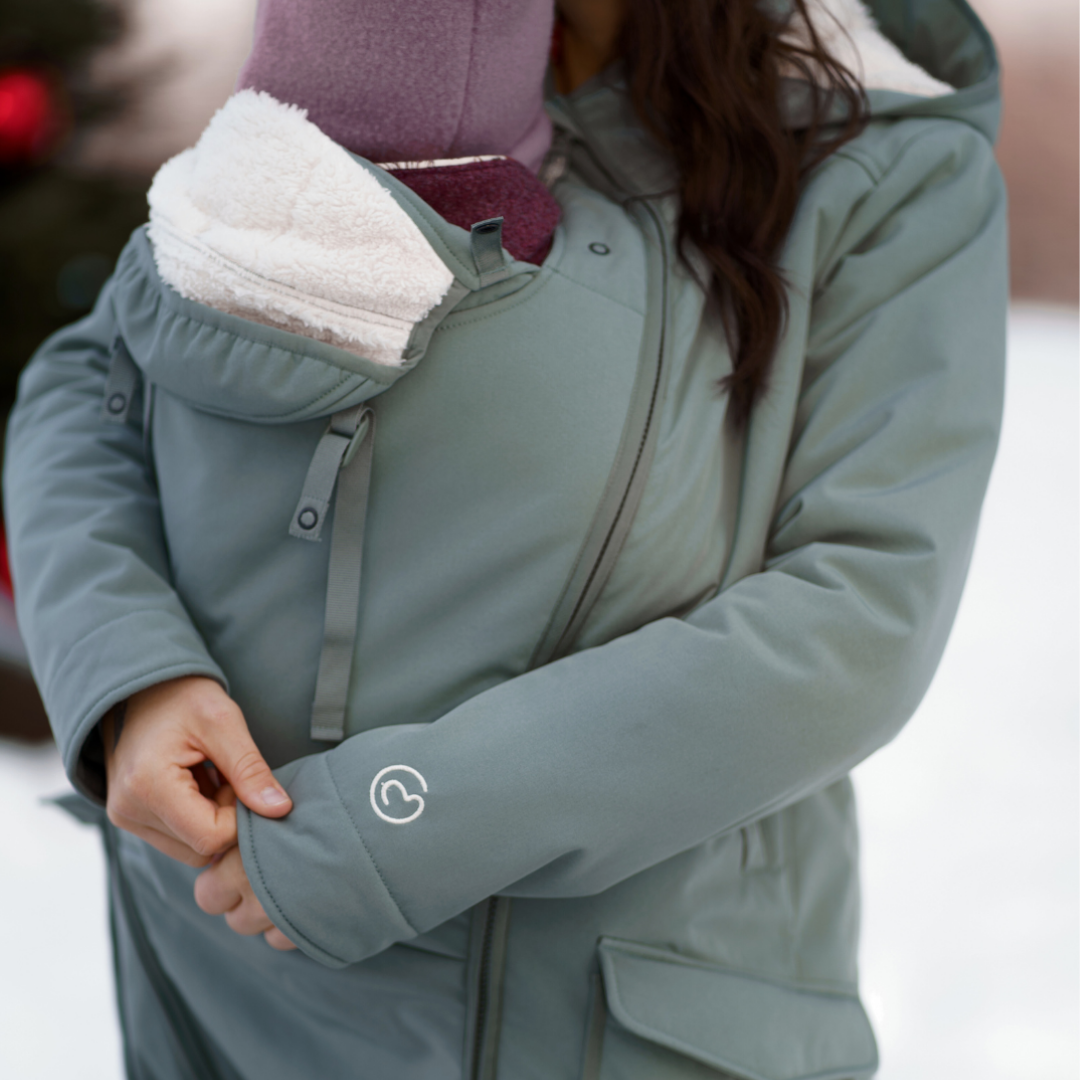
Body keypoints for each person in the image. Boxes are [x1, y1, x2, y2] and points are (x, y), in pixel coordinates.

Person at [3, 0, 1007, 1076]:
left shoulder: (884, 163)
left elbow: (857, 615)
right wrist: (131, 677)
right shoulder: (373, 51)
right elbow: (97, 376)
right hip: (222, 983)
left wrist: (392, 827)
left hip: (597, 1019)